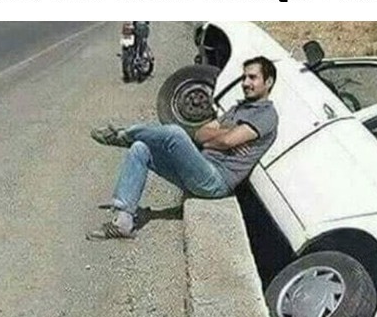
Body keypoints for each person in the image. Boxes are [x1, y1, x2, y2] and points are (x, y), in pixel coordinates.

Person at [87, 56, 278, 240]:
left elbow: (226, 142)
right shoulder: (239, 109)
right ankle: (123, 222)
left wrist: (223, 138)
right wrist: (229, 134)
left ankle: (125, 135)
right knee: (140, 148)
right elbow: (201, 134)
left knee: (175, 133)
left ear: (268, 82)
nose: (245, 83)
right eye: (244, 77)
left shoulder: (266, 115)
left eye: (252, 77)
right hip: (200, 168)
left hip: (216, 181)